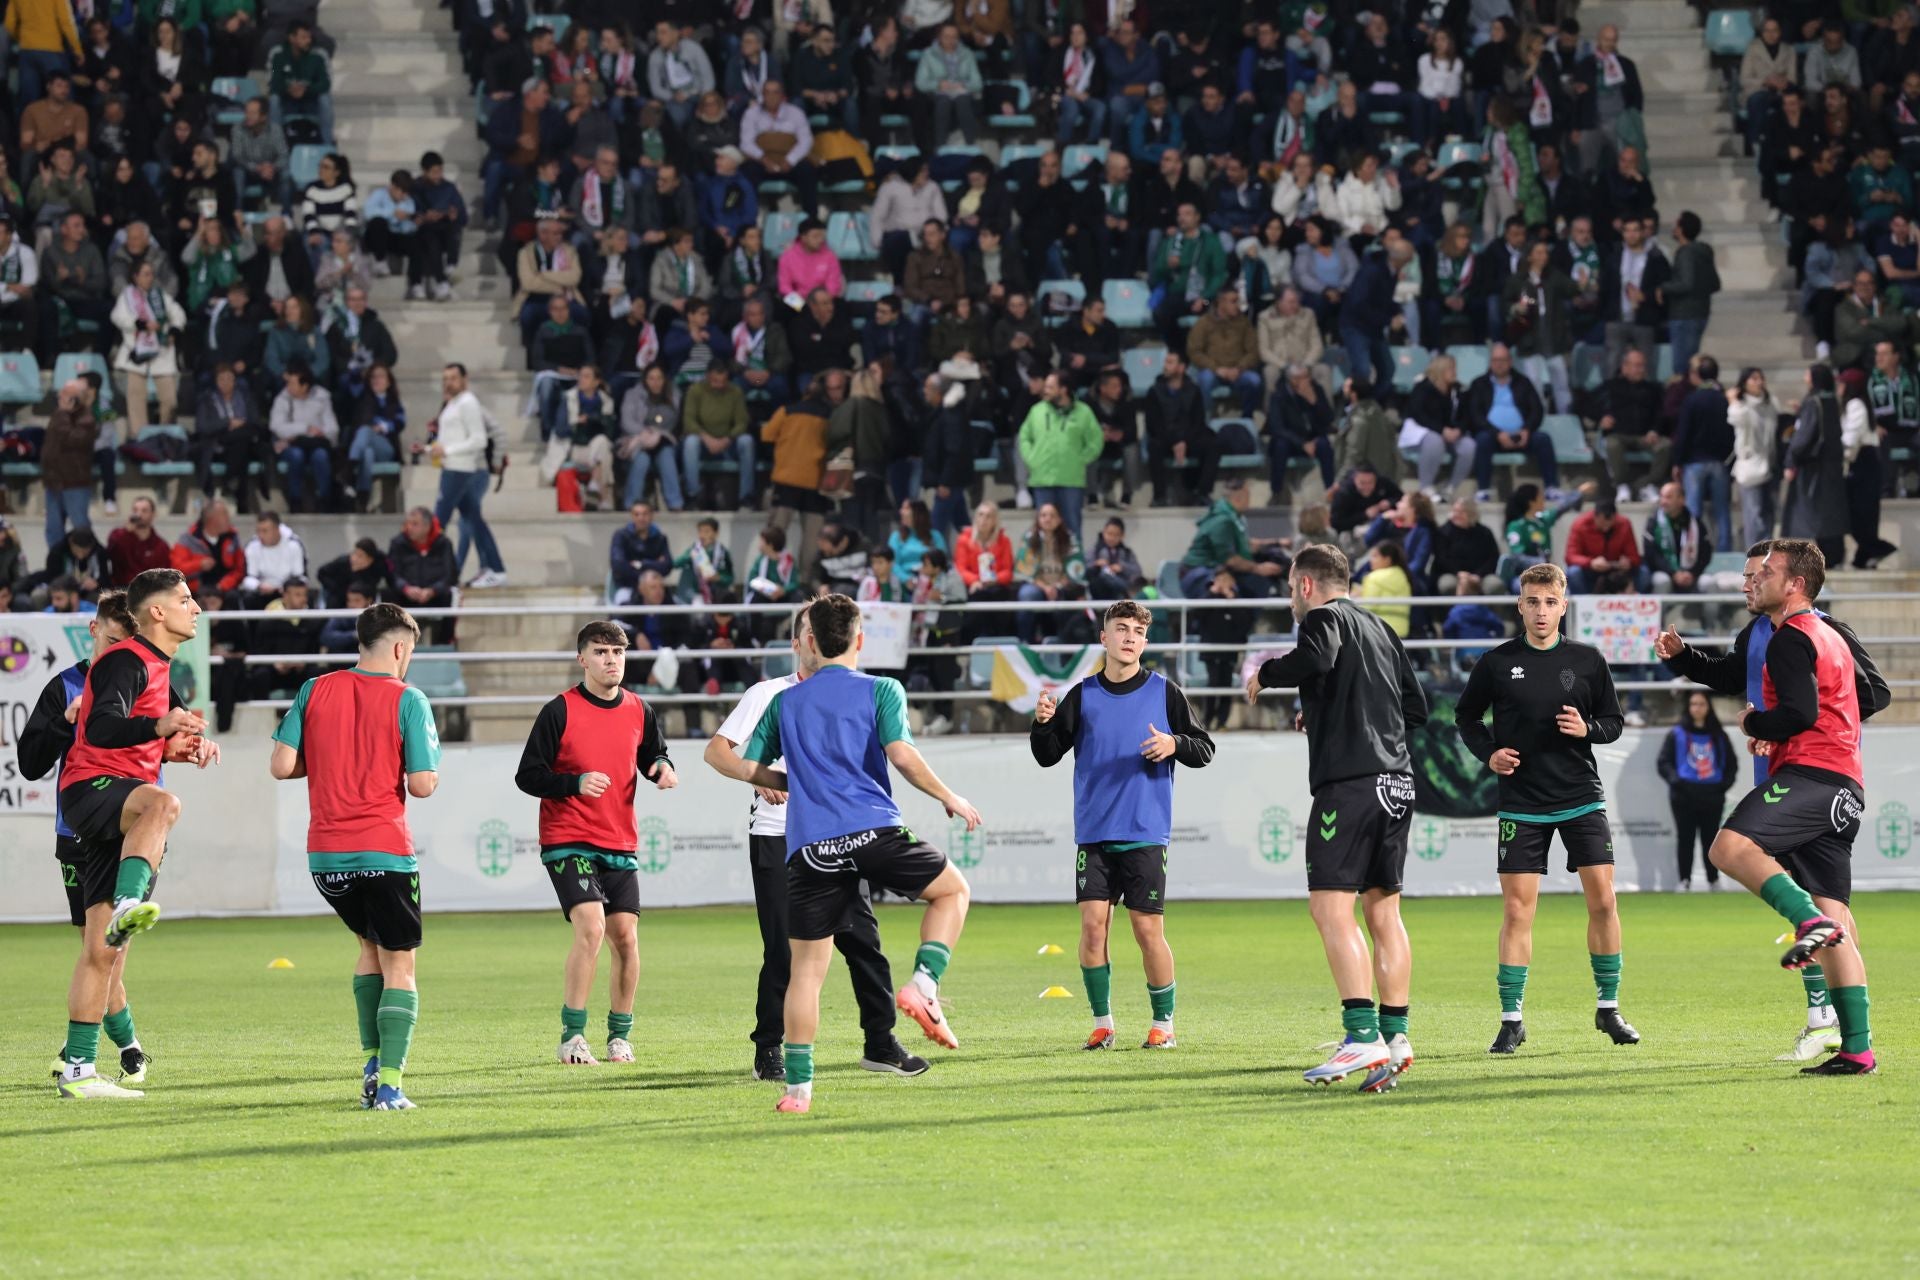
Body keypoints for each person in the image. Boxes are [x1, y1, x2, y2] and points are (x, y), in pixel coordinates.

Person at [713, 594, 982, 1114]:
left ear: (809, 641)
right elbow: (901, 756)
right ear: (860, 639)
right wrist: (949, 796)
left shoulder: (785, 702)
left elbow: (746, 767)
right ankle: (924, 986)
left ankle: (797, 1091)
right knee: (953, 892)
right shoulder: (883, 689)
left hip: (809, 847)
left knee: (806, 970)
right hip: (872, 831)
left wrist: (794, 783)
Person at [1656, 543, 1890, 1061]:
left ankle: (1808, 926)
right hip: (1843, 786)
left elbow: (1809, 710)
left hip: (1811, 775)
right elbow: (1798, 696)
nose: (1751, 581)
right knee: (1839, 920)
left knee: (1727, 849)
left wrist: (1760, 725)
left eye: (1763, 573)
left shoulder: (1796, 635)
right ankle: (1857, 1050)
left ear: (1795, 583)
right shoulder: (1815, 635)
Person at [1245, 545, 1426, 1092]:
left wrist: (1266, 673)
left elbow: (1317, 657)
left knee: (1329, 910)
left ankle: (1360, 1035)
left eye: (1289, 590)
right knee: (1384, 915)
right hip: (1397, 782)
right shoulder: (1381, 629)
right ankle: (1395, 1040)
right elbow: (1413, 708)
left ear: (1304, 585)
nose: (1290, 600)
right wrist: (1328, 708)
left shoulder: (1323, 617)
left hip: (1350, 785)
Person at [1454, 563, 1638, 1055]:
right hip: (1522, 801)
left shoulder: (1588, 660)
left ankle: (1609, 1008)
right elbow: (1466, 716)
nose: (1541, 611)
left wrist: (1589, 730)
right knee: (1518, 911)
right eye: (1532, 601)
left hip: (1581, 797)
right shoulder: (1496, 662)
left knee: (1603, 902)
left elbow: (1613, 722)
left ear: (1564, 604)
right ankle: (1512, 1019)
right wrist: (1487, 753)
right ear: (1520, 605)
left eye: (1550, 602)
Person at [52, 569, 219, 1098]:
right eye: (186, 600)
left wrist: (179, 747)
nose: (196, 608)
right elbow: (100, 728)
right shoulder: (128, 659)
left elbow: (135, 741)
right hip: (92, 787)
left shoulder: (155, 666)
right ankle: (129, 901)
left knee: (101, 952)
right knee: (164, 804)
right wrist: (159, 726)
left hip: (109, 794)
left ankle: (78, 1071)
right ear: (157, 612)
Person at [269, 602, 438, 1110]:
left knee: (369, 950)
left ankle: (370, 1060)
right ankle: (389, 1084)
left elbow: (281, 765)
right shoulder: (409, 698)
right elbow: (423, 785)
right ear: (401, 647)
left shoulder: (314, 688)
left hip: (326, 856)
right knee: (401, 964)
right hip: (384, 851)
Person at [1030, 600, 1214, 1051]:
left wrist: (1174, 743)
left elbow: (1204, 748)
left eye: (1137, 631)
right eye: (1121, 629)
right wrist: (1040, 725)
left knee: (1147, 930)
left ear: (1144, 642)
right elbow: (1047, 754)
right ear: (1105, 639)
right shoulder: (1082, 695)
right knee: (1093, 928)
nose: (1129, 637)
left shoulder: (1164, 692)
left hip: (1145, 830)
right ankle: (1103, 1023)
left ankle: (1163, 1024)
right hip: (1093, 833)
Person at [513, 621, 677, 1066]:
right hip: (567, 838)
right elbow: (527, 776)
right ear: (583, 659)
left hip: (619, 840)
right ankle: (572, 1036)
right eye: (601, 652)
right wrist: (574, 782)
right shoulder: (559, 710)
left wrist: (662, 768)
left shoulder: (640, 709)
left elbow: (653, 754)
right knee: (592, 927)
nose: (611, 660)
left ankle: (619, 1037)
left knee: (625, 937)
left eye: (618, 653)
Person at [18, 592, 154, 1094]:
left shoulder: (147, 679)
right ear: (93, 630)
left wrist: (193, 742)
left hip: (135, 832)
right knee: (102, 953)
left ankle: (99, 1054)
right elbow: (30, 762)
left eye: (129, 643)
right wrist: (65, 722)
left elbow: (169, 737)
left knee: (107, 953)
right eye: (114, 640)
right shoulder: (66, 686)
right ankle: (120, 1051)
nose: (121, 652)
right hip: (77, 834)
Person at [432, 363, 507, 589]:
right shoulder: (452, 405)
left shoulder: (468, 403)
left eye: (453, 377)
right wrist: (432, 450)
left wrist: (495, 462)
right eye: (445, 378)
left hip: (464, 468)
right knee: (472, 518)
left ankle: (438, 574)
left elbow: (481, 439)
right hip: (454, 466)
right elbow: (451, 439)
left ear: (465, 379)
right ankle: (494, 568)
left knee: (441, 521)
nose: (448, 382)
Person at [1658, 692, 1735, 892]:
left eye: (1701, 704)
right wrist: (1677, 782)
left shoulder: (1719, 735)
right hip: (1683, 795)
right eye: (1693, 704)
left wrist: (1721, 786)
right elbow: (1664, 762)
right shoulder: (1677, 733)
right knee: (1685, 839)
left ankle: (1713, 880)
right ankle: (1684, 880)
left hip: (1712, 795)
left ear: (1708, 707)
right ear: (1688, 707)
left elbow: (1731, 765)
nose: (1697, 708)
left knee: (1711, 840)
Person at [1017, 371, 1103, 545]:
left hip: (1071, 481)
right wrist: (1031, 458)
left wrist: (1081, 459)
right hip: (1042, 480)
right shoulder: (1037, 411)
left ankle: (1074, 570)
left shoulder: (1084, 412)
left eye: (1050, 387)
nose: (1045, 390)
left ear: (1063, 389)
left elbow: (1096, 440)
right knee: (1043, 530)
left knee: (1072, 529)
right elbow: (1024, 437)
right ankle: (1045, 570)